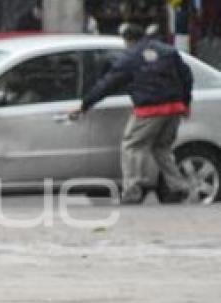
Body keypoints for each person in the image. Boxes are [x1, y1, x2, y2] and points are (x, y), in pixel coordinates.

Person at [69, 23, 193, 204]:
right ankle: (179, 186)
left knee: (132, 146)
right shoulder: (168, 52)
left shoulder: (130, 58)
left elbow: (107, 84)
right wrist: (185, 103)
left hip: (149, 109)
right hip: (174, 107)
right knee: (162, 148)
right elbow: (187, 76)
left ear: (128, 40)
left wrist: (84, 105)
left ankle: (132, 191)